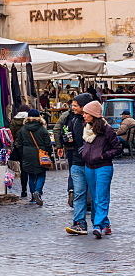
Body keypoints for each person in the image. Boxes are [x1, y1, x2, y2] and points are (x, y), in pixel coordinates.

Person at [75, 101, 123, 239]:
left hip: (103, 166)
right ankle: (105, 225)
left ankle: (98, 225)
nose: (83, 115)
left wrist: (104, 155)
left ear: (94, 115)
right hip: (89, 166)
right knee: (96, 197)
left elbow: (117, 148)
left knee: (101, 197)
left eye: (86, 113)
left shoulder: (106, 129)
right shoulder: (87, 128)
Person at [58, 92, 93, 230]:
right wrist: (64, 140)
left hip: (92, 162)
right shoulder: (70, 118)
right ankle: (79, 223)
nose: (73, 107)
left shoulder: (95, 122)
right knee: (79, 193)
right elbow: (63, 132)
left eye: (75, 105)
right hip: (77, 161)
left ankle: (99, 223)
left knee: (96, 194)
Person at [15, 109, 53, 206]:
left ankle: (33, 196)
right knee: (41, 174)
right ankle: (38, 191)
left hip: (27, 153)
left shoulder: (23, 129)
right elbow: (48, 144)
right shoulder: (42, 129)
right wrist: (49, 153)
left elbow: (19, 144)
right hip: (40, 154)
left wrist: (23, 153)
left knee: (31, 175)